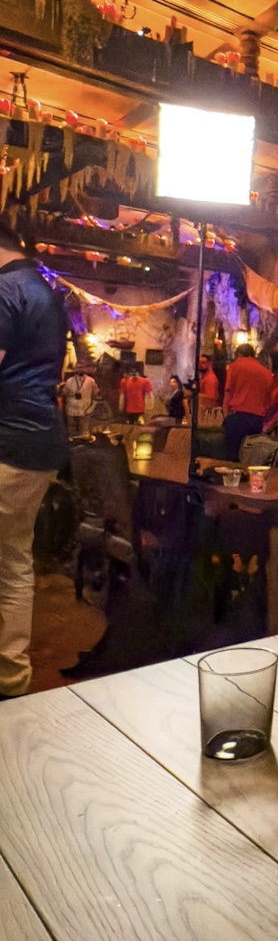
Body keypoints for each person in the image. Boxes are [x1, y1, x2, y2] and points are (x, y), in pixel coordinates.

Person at [0, 218, 69, 698]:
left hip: (6, 441)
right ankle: (11, 677)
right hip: (41, 443)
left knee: (11, 560)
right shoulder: (45, 291)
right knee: (13, 559)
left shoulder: (5, 289)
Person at [222, 343, 273, 460]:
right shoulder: (266, 373)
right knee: (249, 456)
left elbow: (228, 392)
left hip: (237, 419)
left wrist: (225, 415)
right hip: (256, 421)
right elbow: (268, 400)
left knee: (232, 457)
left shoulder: (234, 367)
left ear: (239, 355)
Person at [60, 363, 98, 437]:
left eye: (82, 367)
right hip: (72, 410)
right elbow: (63, 394)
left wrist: (91, 408)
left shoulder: (91, 381)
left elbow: (95, 394)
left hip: (84, 410)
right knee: (71, 432)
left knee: (82, 431)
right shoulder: (69, 381)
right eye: (78, 368)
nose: (80, 370)